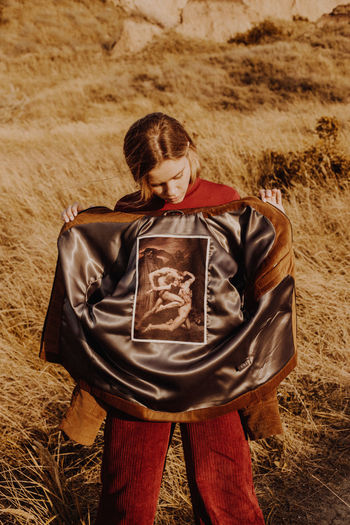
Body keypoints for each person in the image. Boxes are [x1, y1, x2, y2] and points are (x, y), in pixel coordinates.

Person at [60, 112, 286, 525]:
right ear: (138, 176)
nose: (172, 189)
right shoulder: (129, 212)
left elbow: (255, 274)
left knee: (226, 491)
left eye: (178, 175)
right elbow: (110, 280)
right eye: (157, 182)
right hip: (139, 370)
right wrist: (82, 231)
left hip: (213, 367)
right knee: (127, 492)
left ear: (191, 154)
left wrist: (270, 219)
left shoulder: (227, 202)